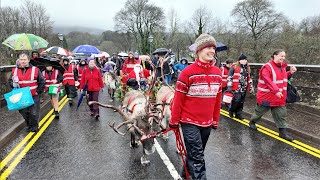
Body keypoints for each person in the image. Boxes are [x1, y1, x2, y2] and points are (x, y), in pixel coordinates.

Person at [169, 33, 222, 180]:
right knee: (198, 157)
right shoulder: (187, 73)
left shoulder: (218, 73)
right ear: (198, 51)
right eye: (208, 47)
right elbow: (179, 100)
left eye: (213, 48)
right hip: (189, 122)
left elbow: (218, 100)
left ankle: (184, 176)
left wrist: (215, 120)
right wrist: (174, 121)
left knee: (194, 154)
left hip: (207, 123)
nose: (212, 50)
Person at [249, 49, 297, 141]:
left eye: (284, 56)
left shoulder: (282, 67)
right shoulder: (267, 67)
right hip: (267, 97)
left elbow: (281, 78)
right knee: (259, 112)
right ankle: (252, 122)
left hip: (279, 97)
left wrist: (290, 72)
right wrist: (276, 91)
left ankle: (283, 132)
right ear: (275, 56)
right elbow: (267, 80)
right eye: (281, 56)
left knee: (281, 114)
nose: (283, 58)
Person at [8, 53, 45, 132]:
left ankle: (34, 126)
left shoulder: (35, 69)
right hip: (21, 96)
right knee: (24, 112)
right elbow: (10, 81)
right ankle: (29, 124)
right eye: (21, 59)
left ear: (28, 60)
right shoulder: (15, 70)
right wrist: (13, 84)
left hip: (33, 95)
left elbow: (42, 82)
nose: (23, 61)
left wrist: (37, 92)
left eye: (24, 59)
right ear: (19, 60)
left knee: (34, 112)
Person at [226, 54, 253, 120]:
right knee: (236, 101)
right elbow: (229, 77)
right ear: (239, 60)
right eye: (243, 60)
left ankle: (238, 113)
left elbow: (249, 78)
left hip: (244, 87)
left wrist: (251, 87)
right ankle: (231, 110)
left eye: (245, 60)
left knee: (241, 102)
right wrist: (229, 86)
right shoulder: (234, 67)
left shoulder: (247, 68)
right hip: (236, 87)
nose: (244, 61)